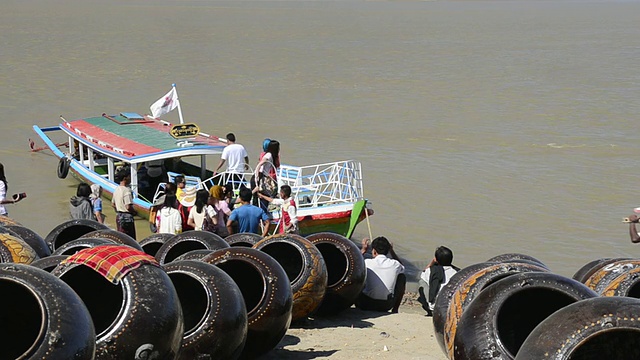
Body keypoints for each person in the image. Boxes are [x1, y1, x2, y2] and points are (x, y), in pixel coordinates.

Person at [356, 236, 406, 313]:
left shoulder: (367, 262)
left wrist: (363, 250)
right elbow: (402, 267)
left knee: (357, 273)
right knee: (402, 277)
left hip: (365, 304)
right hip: (386, 305)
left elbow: (354, 263)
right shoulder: (395, 264)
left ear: (374, 251)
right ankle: (395, 309)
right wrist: (392, 252)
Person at [417, 246, 459, 316]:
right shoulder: (457, 273)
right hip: (451, 308)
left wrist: (432, 263)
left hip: (435, 308)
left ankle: (429, 308)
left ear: (436, 259)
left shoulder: (431, 270)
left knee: (422, 282)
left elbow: (423, 274)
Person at [253, 140, 280, 211]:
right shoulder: (269, 155)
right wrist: (257, 175)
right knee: (262, 195)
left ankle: (261, 210)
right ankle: (261, 211)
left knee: (262, 195)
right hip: (260, 177)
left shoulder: (272, 155)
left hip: (263, 177)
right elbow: (261, 163)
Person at [112, 168, 137, 240]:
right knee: (130, 239)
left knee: (121, 238)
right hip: (127, 218)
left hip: (119, 216)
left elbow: (113, 204)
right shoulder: (126, 191)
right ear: (125, 178)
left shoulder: (116, 189)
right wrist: (134, 212)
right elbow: (128, 206)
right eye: (129, 177)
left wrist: (118, 210)